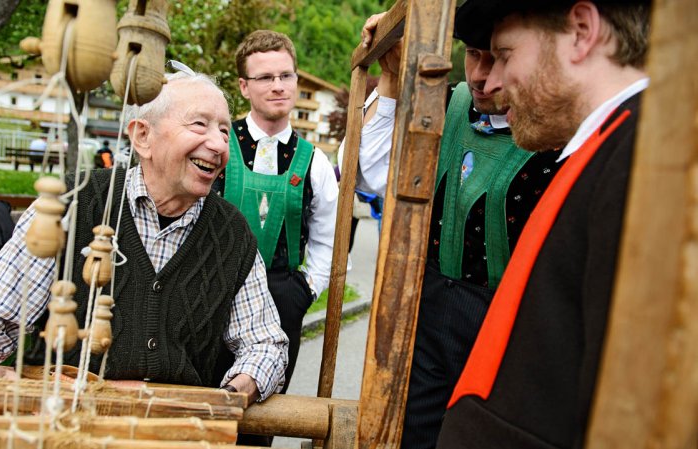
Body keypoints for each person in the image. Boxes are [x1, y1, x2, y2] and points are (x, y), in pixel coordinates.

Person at [0, 71, 289, 406]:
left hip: (173, 431)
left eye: (224, 131)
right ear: (142, 136)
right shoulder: (69, 208)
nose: (219, 145)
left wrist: (230, 395)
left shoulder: (231, 232)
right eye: (200, 125)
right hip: (66, 422)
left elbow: (266, 344)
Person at [435, 1, 650, 448]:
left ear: (581, 31)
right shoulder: (609, 150)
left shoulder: (646, 166)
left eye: (507, 54)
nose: (491, 81)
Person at [356, 6, 562, 447]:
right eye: (472, 55)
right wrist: (390, 78)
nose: (481, 76)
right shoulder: (445, 104)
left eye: (497, 59)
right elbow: (367, 174)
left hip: (504, 325)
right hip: (429, 311)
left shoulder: (555, 132)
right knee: (415, 433)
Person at [212, 30, 338, 396]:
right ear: (243, 86)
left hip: (283, 299)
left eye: (286, 76)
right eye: (265, 77)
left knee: (265, 416)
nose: (278, 85)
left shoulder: (314, 161)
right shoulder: (217, 143)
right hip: (214, 293)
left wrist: (305, 290)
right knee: (204, 409)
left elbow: (327, 236)